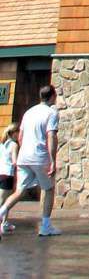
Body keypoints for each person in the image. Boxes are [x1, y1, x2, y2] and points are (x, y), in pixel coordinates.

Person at [0, 84, 60, 238]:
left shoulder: (28, 112)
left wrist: (23, 150)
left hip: (24, 157)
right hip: (40, 157)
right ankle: (45, 226)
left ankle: (1, 212)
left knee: (20, 191)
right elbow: (51, 136)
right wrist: (53, 160)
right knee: (48, 189)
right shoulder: (51, 113)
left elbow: (20, 136)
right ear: (53, 96)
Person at [0, 123, 19, 234]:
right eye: (18, 132)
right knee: (5, 201)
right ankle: (3, 223)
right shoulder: (14, 145)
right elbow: (15, 161)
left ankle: (5, 222)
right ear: (14, 133)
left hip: (0, 173)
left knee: (3, 200)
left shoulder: (2, 144)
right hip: (8, 174)